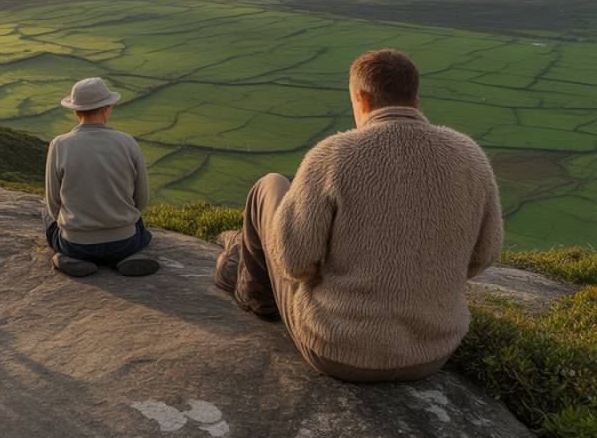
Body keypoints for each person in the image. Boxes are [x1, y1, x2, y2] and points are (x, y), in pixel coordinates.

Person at [214, 49, 503, 382]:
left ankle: (254, 295)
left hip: (336, 349)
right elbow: (485, 253)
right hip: (432, 351)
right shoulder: (469, 156)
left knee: (270, 186)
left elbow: (293, 262)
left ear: (361, 99)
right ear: (415, 101)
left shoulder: (334, 155)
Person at [44, 77, 158, 277]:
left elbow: (53, 203)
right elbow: (141, 198)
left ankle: (67, 258)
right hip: (125, 241)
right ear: (106, 109)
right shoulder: (128, 142)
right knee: (138, 227)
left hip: (76, 244)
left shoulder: (59, 145)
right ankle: (123, 258)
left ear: (76, 111)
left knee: (45, 215)